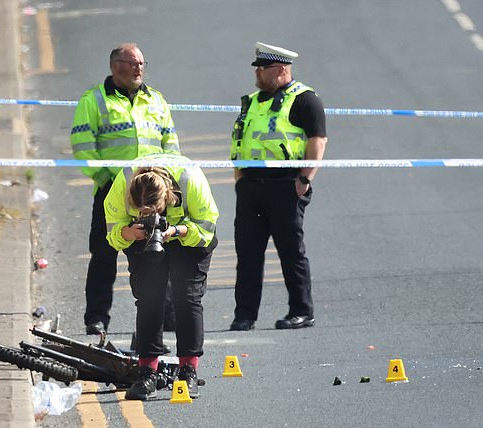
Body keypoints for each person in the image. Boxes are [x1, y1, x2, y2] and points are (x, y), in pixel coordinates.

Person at [70, 43, 180, 335]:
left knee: (158, 254)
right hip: (112, 190)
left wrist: (167, 179)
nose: (139, 68)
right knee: (104, 254)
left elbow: (171, 144)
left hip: (153, 192)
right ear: (115, 66)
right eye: (132, 63)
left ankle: (167, 316)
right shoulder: (93, 100)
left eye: (142, 63)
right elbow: (83, 147)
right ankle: (96, 318)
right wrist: (106, 178)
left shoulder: (156, 100)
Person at [229, 42, 327, 331]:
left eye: (263, 68)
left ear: (282, 69)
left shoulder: (305, 99)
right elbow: (242, 139)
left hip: (285, 185)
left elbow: (318, 140)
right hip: (251, 186)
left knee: (290, 252)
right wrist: (240, 179)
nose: (258, 73)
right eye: (257, 68)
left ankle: (301, 311)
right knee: (247, 254)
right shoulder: (252, 100)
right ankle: (245, 315)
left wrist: (305, 180)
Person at [104, 154, 219, 400]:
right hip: (141, 240)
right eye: (141, 211)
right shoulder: (123, 183)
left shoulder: (190, 180)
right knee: (149, 299)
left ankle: (188, 370)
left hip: (188, 235)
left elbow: (207, 230)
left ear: (167, 196)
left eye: (154, 211)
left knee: (187, 298)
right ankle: (148, 371)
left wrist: (177, 230)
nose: (150, 216)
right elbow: (112, 234)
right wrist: (129, 232)